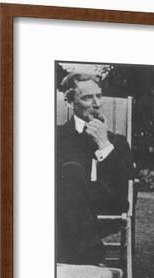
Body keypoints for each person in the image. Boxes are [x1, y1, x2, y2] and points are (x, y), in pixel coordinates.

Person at [56, 72, 134, 265]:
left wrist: (104, 144)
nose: (97, 103)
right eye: (87, 97)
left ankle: (80, 262)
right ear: (69, 102)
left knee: (71, 173)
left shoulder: (117, 141)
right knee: (71, 172)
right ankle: (92, 260)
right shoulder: (56, 137)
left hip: (107, 203)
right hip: (64, 207)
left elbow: (126, 182)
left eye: (99, 96)